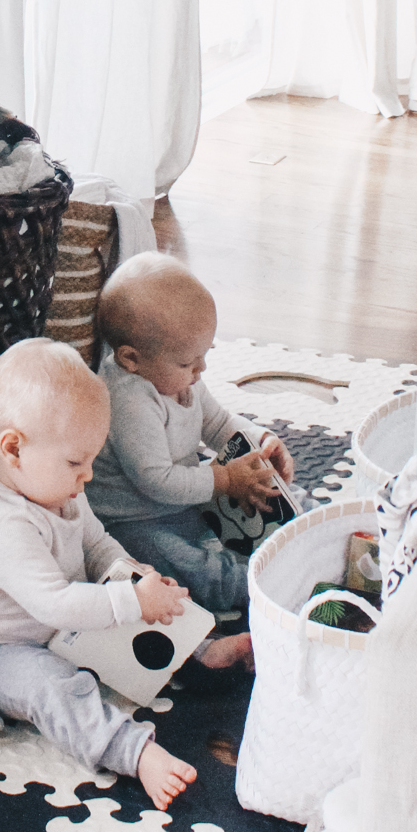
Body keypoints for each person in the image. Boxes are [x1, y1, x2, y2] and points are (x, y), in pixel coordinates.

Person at [0, 340, 206, 811]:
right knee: (56, 687)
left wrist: (134, 579)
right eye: (75, 462)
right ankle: (134, 753)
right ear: (13, 449)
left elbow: (97, 542)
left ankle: (202, 652)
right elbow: (56, 604)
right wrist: (129, 601)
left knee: (143, 602)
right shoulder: (5, 524)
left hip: (61, 622)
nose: (86, 476)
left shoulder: (56, 485)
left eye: (90, 460)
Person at [89, 253, 294, 620]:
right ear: (131, 359)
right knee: (175, 560)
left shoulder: (177, 376)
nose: (201, 369)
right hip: (133, 520)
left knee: (267, 494)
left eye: (204, 355)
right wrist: (226, 480)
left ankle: (289, 533)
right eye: (187, 362)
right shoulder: (129, 400)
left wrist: (260, 439)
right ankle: (248, 586)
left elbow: (216, 422)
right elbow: (157, 481)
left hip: (185, 499)